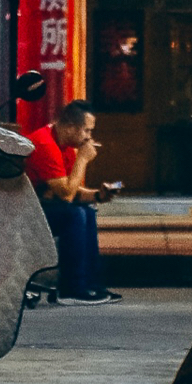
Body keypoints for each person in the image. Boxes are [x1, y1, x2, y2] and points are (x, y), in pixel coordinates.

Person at [26, 100, 116, 300]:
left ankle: (90, 284)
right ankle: (71, 289)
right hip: (25, 212)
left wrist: (98, 195)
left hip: (44, 205)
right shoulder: (45, 144)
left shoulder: (65, 145)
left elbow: (70, 189)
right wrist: (82, 159)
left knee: (88, 210)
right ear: (69, 127)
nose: (89, 138)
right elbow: (66, 195)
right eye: (86, 131)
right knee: (74, 215)